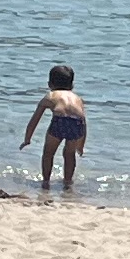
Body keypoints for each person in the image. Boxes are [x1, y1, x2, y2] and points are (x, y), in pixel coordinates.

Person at [22, 63, 86, 191]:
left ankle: (46, 182)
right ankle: (67, 183)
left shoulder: (51, 95)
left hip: (60, 121)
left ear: (50, 84)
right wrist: (81, 145)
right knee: (69, 154)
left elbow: (35, 119)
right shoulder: (78, 99)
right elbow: (83, 121)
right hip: (77, 124)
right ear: (72, 85)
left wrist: (27, 138)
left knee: (48, 153)